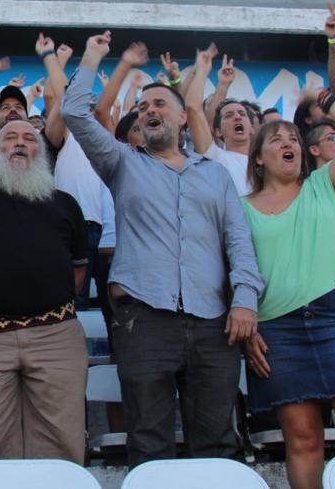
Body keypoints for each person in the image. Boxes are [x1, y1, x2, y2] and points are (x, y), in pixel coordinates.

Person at [63, 32, 264, 467]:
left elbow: (239, 244)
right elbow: (73, 112)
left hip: (215, 325)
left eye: (159, 104)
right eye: (142, 107)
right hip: (144, 321)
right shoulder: (121, 163)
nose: (148, 110)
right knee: (149, 445)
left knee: (216, 448)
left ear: (183, 119)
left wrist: (245, 302)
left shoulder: (215, 175)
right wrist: (93, 56)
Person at [243, 88, 335, 489]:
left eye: (293, 138)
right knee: (304, 440)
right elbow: (236, 273)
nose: (288, 143)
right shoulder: (239, 206)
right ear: (257, 158)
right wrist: (247, 327)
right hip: (277, 330)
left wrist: (325, 100)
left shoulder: (325, 184)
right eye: (276, 139)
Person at [0, 86, 88, 464]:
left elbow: (77, 272)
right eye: (9, 138)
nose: (21, 143)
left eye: (29, 138)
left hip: (55, 339)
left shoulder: (64, 204)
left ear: (42, 151)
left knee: (61, 450)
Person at [186, 45, 254, 195]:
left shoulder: (268, 161)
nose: (237, 117)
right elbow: (192, 109)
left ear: (252, 127)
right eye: (229, 116)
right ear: (217, 131)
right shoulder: (215, 157)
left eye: (242, 114)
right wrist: (203, 72)